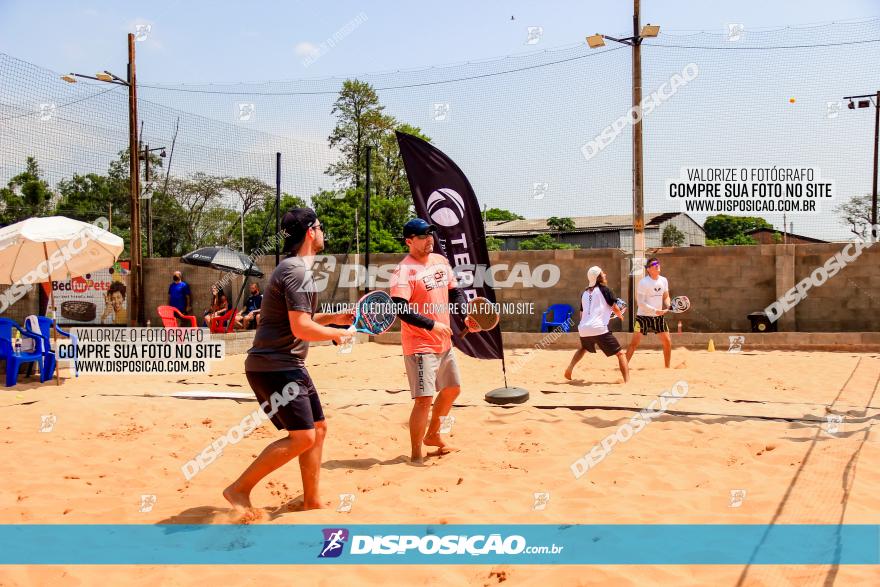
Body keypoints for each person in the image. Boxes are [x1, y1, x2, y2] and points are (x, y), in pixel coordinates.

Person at [223, 208, 353, 520]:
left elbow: (299, 320)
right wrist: (335, 335)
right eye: (320, 226)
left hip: (285, 364)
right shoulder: (297, 271)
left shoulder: (294, 269)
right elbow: (300, 328)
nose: (323, 233)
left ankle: (311, 500)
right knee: (304, 436)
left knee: (318, 429)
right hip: (275, 366)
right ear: (311, 231)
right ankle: (238, 489)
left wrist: (333, 319)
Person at [390, 218, 475, 464]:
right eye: (423, 236)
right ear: (409, 241)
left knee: (453, 389)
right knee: (424, 399)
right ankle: (416, 452)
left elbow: (454, 292)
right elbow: (400, 309)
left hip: (443, 343)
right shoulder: (403, 271)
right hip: (420, 344)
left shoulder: (441, 261)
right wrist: (432, 325)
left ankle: (433, 436)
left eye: (431, 235)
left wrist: (465, 313)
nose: (430, 240)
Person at [564, 266, 629, 383]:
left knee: (584, 348)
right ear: (598, 277)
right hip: (598, 328)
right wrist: (619, 315)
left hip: (583, 328)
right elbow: (614, 306)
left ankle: (569, 369)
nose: (605, 275)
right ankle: (627, 382)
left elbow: (581, 313)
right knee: (621, 354)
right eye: (603, 273)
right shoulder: (605, 289)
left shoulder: (584, 293)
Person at [626, 257, 673, 368]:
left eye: (658, 263)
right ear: (648, 269)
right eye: (654, 264)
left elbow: (666, 297)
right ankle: (623, 365)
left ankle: (667, 368)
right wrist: (655, 310)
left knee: (667, 342)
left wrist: (668, 305)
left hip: (658, 317)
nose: (657, 265)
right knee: (634, 344)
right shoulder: (643, 282)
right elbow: (640, 303)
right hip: (643, 317)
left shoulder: (664, 280)